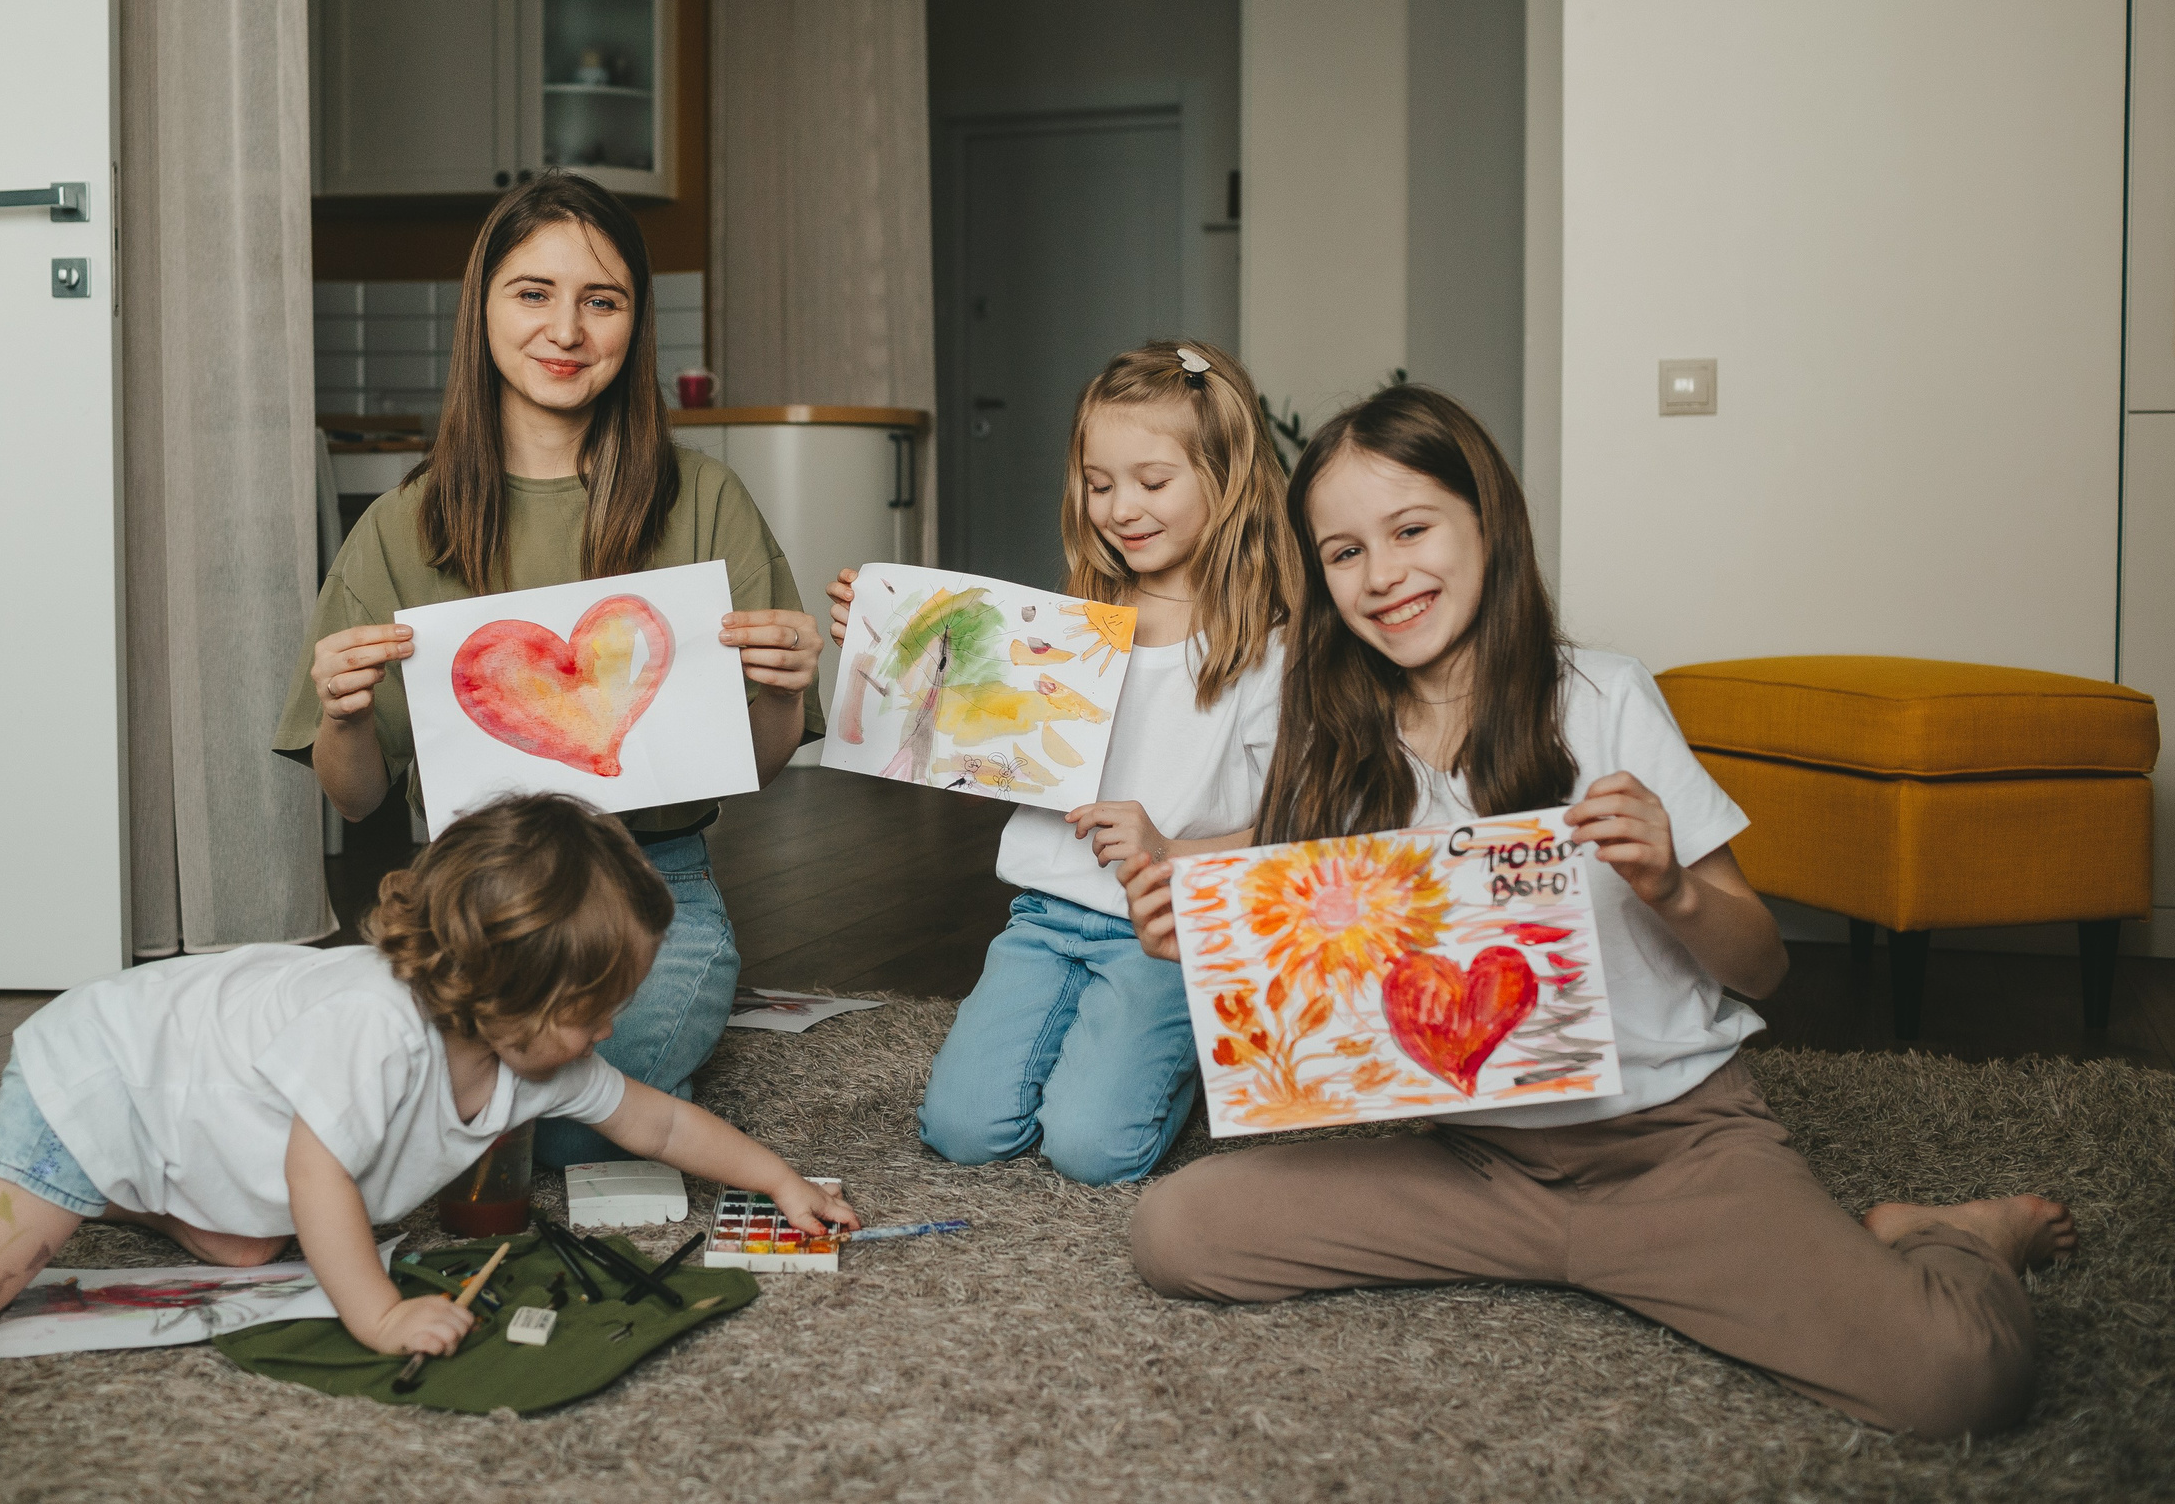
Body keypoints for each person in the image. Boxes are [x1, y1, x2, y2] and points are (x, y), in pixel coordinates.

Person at [1118, 382, 2076, 1438]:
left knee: (1961, 1385)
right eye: (1343, 553)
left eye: (1410, 528)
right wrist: (1196, 942)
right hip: (1471, 1163)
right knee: (1178, 1233)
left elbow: (1763, 967)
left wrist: (1667, 883)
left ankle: (1951, 1235)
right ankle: (1573, 1258)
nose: (1382, 575)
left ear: (1488, 520)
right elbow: (1321, 995)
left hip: (1673, 1150)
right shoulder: (1335, 749)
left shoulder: (1607, 697)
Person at [0, 794, 856, 1369]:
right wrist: (372, 1314)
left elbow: (660, 1117)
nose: (617, 1028)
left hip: (201, 1077)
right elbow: (320, 1171)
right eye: (602, 1003)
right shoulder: (378, 1034)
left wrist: (781, 1179)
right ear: (514, 1000)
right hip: (108, 1075)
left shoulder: (538, 1058)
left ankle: (181, 1202)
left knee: (247, 1251)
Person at [276, 172, 824, 1168]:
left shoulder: (704, 499)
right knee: (373, 1106)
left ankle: (647, 1079)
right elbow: (355, 802)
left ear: (633, 322)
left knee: (560, 1124)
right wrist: (345, 717)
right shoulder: (399, 525)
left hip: (652, 890)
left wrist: (783, 691)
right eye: (533, 293)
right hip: (469, 903)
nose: (565, 329)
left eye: (600, 300)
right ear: (482, 307)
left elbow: (760, 761)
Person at [827, 342, 1297, 1185]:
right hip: (1045, 915)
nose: (1121, 506)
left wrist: (1168, 848)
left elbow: (1292, 833)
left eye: (1153, 482)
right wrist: (894, 652)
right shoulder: (1067, 626)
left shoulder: (1268, 652)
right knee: (961, 1129)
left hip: (1167, 931)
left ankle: (1186, 1053)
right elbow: (984, 765)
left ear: (1226, 480)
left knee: (1093, 1149)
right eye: (1099, 480)